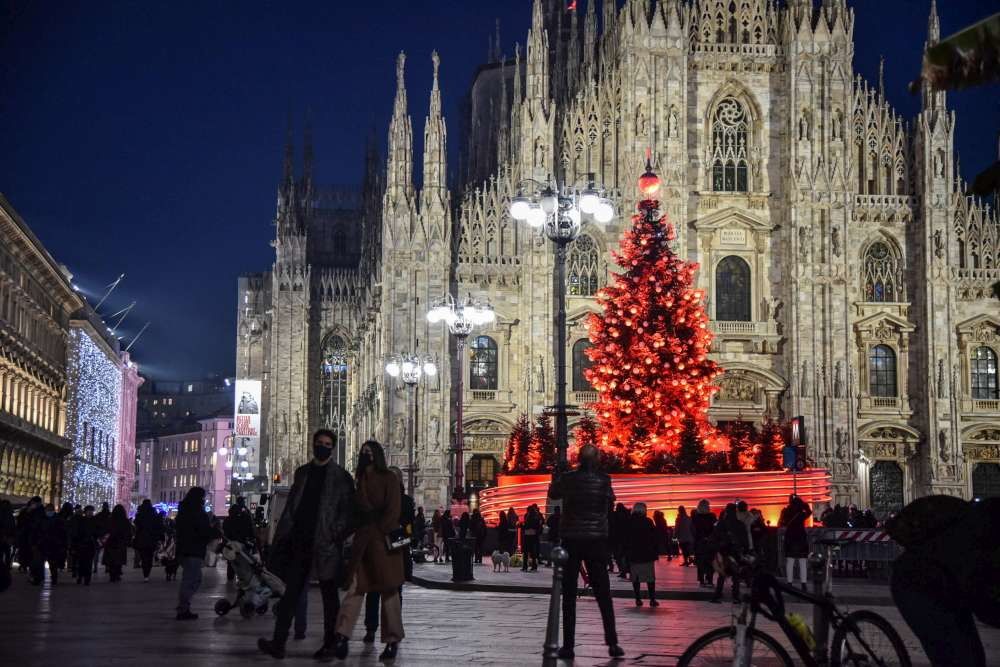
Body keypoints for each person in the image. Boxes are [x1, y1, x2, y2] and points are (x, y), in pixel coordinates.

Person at [258, 429, 355, 659]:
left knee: (329, 598)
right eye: (319, 443)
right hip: (300, 542)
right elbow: (290, 509)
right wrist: (281, 537)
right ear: (313, 444)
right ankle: (278, 643)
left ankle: (330, 645)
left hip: (325, 544)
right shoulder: (302, 473)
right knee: (290, 594)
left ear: (333, 447)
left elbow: (349, 514)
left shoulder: (341, 477)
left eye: (327, 444)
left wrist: (334, 534)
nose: (323, 446)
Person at [888, 496, 1000, 667]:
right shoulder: (982, 539)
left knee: (972, 655)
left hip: (945, 583)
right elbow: (983, 602)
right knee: (960, 657)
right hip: (918, 584)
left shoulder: (981, 523)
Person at [548, 444, 624, 660]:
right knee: (603, 595)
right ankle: (613, 643)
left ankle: (569, 646)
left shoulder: (569, 478)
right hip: (596, 540)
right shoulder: (604, 480)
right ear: (597, 459)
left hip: (572, 539)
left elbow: (553, 493)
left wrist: (557, 475)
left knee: (569, 596)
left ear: (578, 458)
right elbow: (610, 503)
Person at [331, 440, 405, 662]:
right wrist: (342, 533)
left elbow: (394, 510)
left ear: (379, 456)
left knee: (389, 592)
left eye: (371, 453)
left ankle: (392, 641)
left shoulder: (389, 478)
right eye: (364, 452)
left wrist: (380, 530)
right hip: (364, 543)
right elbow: (355, 514)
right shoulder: (360, 479)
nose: (367, 455)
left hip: (383, 544)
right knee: (354, 589)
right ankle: (342, 635)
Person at [361, 465, 414, 645]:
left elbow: (408, 527)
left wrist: (394, 546)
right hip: (380, 549)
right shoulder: (377, 499)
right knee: (375, 592)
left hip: (394, 550)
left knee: (392, 594)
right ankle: (371, 628)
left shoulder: (405, 501)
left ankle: (391, 629)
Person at [175, 487, 220, 619]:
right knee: (192, 580)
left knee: (191, 579)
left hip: (185, 550)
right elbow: (203, 530)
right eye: (202, 497)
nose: (204, 500)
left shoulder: (184, 511)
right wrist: (214, 531)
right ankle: (183, 608)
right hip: (193, 550)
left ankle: (184, 606)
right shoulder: (196, 512)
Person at [710, 503, 750, 604]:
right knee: (736, 576)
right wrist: (745, 550)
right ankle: (736, 597)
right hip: (735, 553)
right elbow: (745, 540)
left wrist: (717, 548)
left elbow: (715, 537)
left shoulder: (721, 523)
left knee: (722, 575)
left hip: (724, 552)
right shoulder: (740, 524)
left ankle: (717, 595)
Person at [627, 503, 659, 607]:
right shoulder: (648, 521)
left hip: (634, 554)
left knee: (636, 578)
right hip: (647, 554)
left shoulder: (629, 522)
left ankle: (638, 599)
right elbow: (654, 537)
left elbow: (625, 539)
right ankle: (652, 599)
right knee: (650, 578)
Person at [779, 495, 811, 588]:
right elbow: (809, 512)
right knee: (802, 561)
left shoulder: (786, 511)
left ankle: (789, 582)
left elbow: (783, 521)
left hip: (790, 537)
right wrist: (805, 505)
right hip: (801, 537)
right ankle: (803, 583)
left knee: (790, 561)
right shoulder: (801, 514)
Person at [222, 502, 255, 581]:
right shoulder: (245, 518)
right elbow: (250, 530)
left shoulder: (227, 520)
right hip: (243, 543)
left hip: (231, 543)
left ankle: (230, 576)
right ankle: (242, 577)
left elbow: (225, 532)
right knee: (243, 561)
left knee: (231, 561)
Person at [133, 499, 164, 582]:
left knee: (143, 556)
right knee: (149, 556)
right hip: (151, 539)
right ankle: (147, 573)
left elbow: (136, 524)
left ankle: (145, 573)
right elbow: (158, 526)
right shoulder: (153, 514)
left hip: (141, 538)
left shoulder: (139, 515)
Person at [38, 503, 68, 585]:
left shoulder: (59, 520)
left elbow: (63, 533)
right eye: (48, 510)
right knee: (40, 562)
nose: (49, 512)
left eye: (51, 510)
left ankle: (54, 578)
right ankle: (40, 578)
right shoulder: (41, 519)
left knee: (53, 563)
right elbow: (36, 531)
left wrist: (62, 544)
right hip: (43, 544)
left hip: (54, 544)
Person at [103, 504, 132, 583]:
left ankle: (112, 575)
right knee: (119, 559)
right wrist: (127, 541)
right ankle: (117, 573)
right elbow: (128, 532)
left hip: (111, 542)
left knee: (111, 559)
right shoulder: (125, 521)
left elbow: (106, 530)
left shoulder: (110, 520)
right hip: (121, 543)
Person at [71, 505, 98, 585]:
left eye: (91, 511)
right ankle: (80, 576)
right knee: (81, 562)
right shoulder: (81, 521)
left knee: (89, 563)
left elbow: (98, 531)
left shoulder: (95, 521)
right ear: (85, 512)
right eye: (88, 511)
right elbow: (76, 532)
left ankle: (87, 579)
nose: (90, 513)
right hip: (81, 544)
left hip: (90, 544)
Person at [92, 502, 111, 574]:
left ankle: (95, 568)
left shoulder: (98, 515)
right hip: (108, 536)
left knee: (97, 553)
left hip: (99, 537)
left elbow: (94, 526)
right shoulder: (110, 515)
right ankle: (107, 568)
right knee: (107, 553)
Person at [522, 504, 541, 572]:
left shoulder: (530, 517)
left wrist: (523, 526)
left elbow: (527, 525)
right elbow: (538, 526)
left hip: (528, 536)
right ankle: (533, 566)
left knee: (527, 552)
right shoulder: (536, 516)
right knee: (532, 553)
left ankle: (525, 567)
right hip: (533, 536)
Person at [0, 500, 15, 573]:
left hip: (3, 536)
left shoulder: (2, 513)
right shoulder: (10, 515)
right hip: (8, 537)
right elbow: (12, 526)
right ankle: (7, 567)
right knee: (7, 552)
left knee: (3, 552)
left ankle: (4, 567)